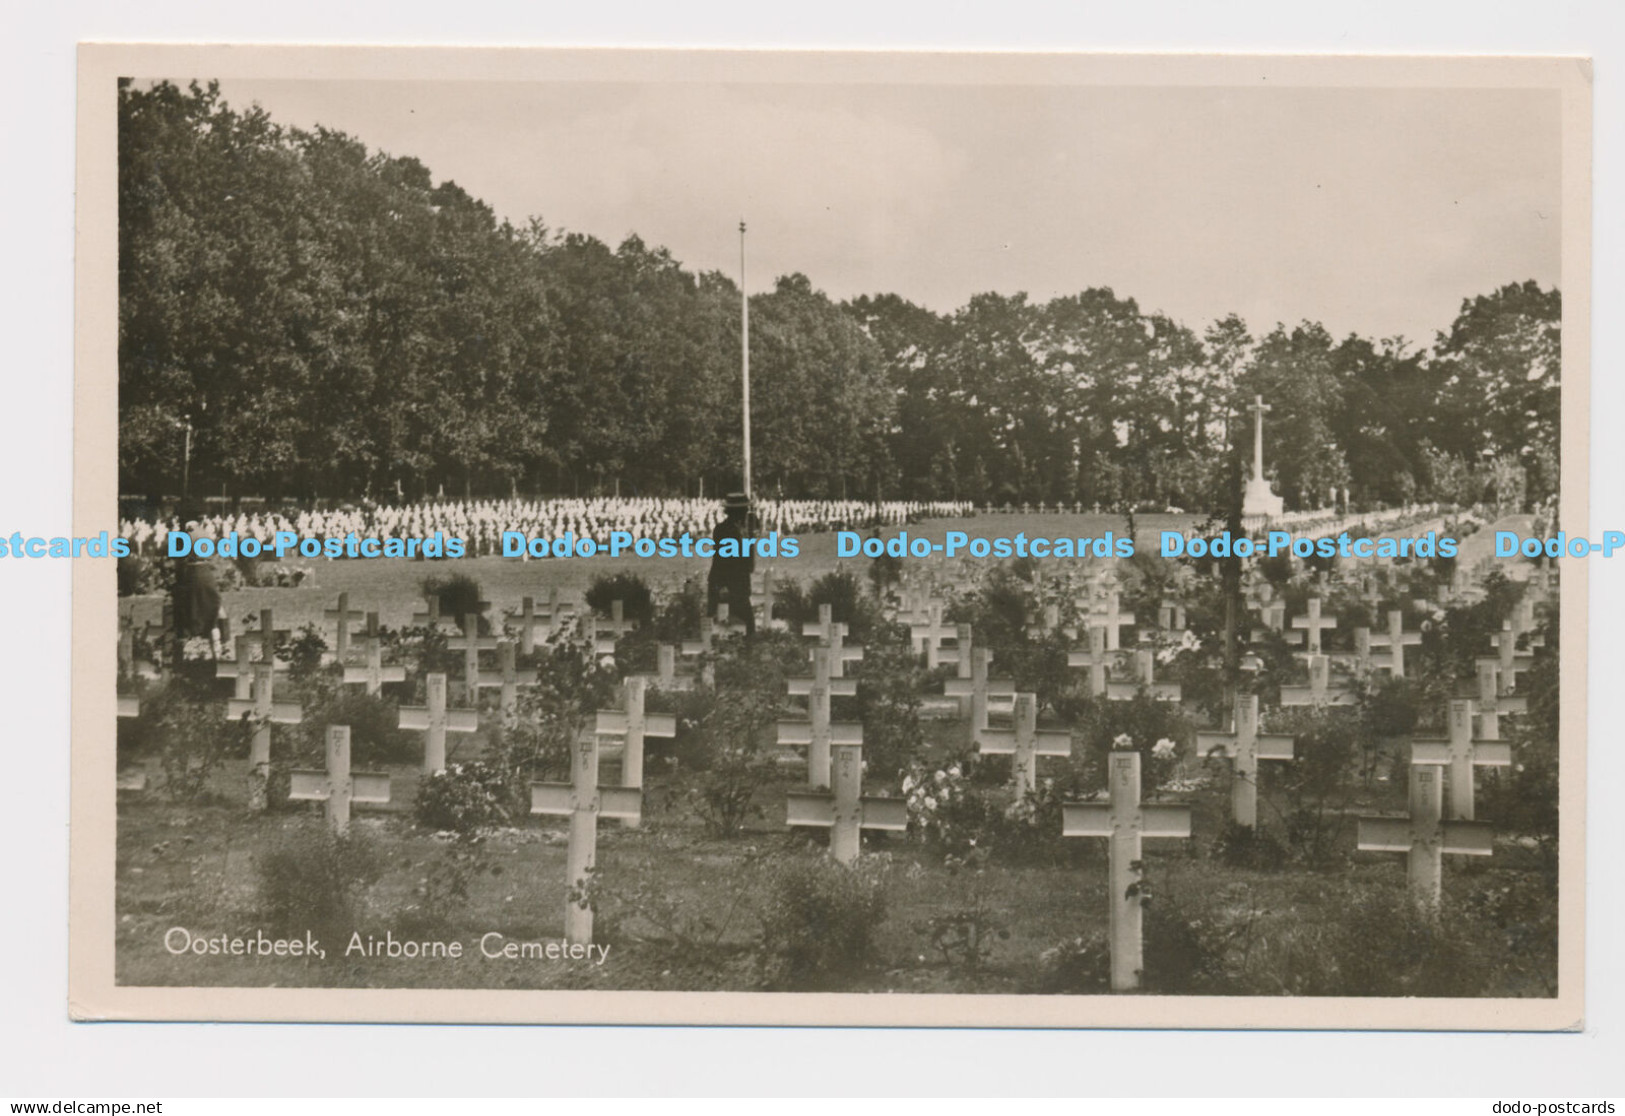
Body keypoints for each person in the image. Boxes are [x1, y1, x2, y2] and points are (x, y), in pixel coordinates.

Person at [706, 492, 755, 637]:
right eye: (744, 509)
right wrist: (723, 586)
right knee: (725, 628)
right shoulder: (723, 530)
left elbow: (749, 564)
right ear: (736, 512)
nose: (747, 512)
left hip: (739, 584)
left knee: (742, 628)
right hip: (726, 585)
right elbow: (723, 560)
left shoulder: (742, 531)